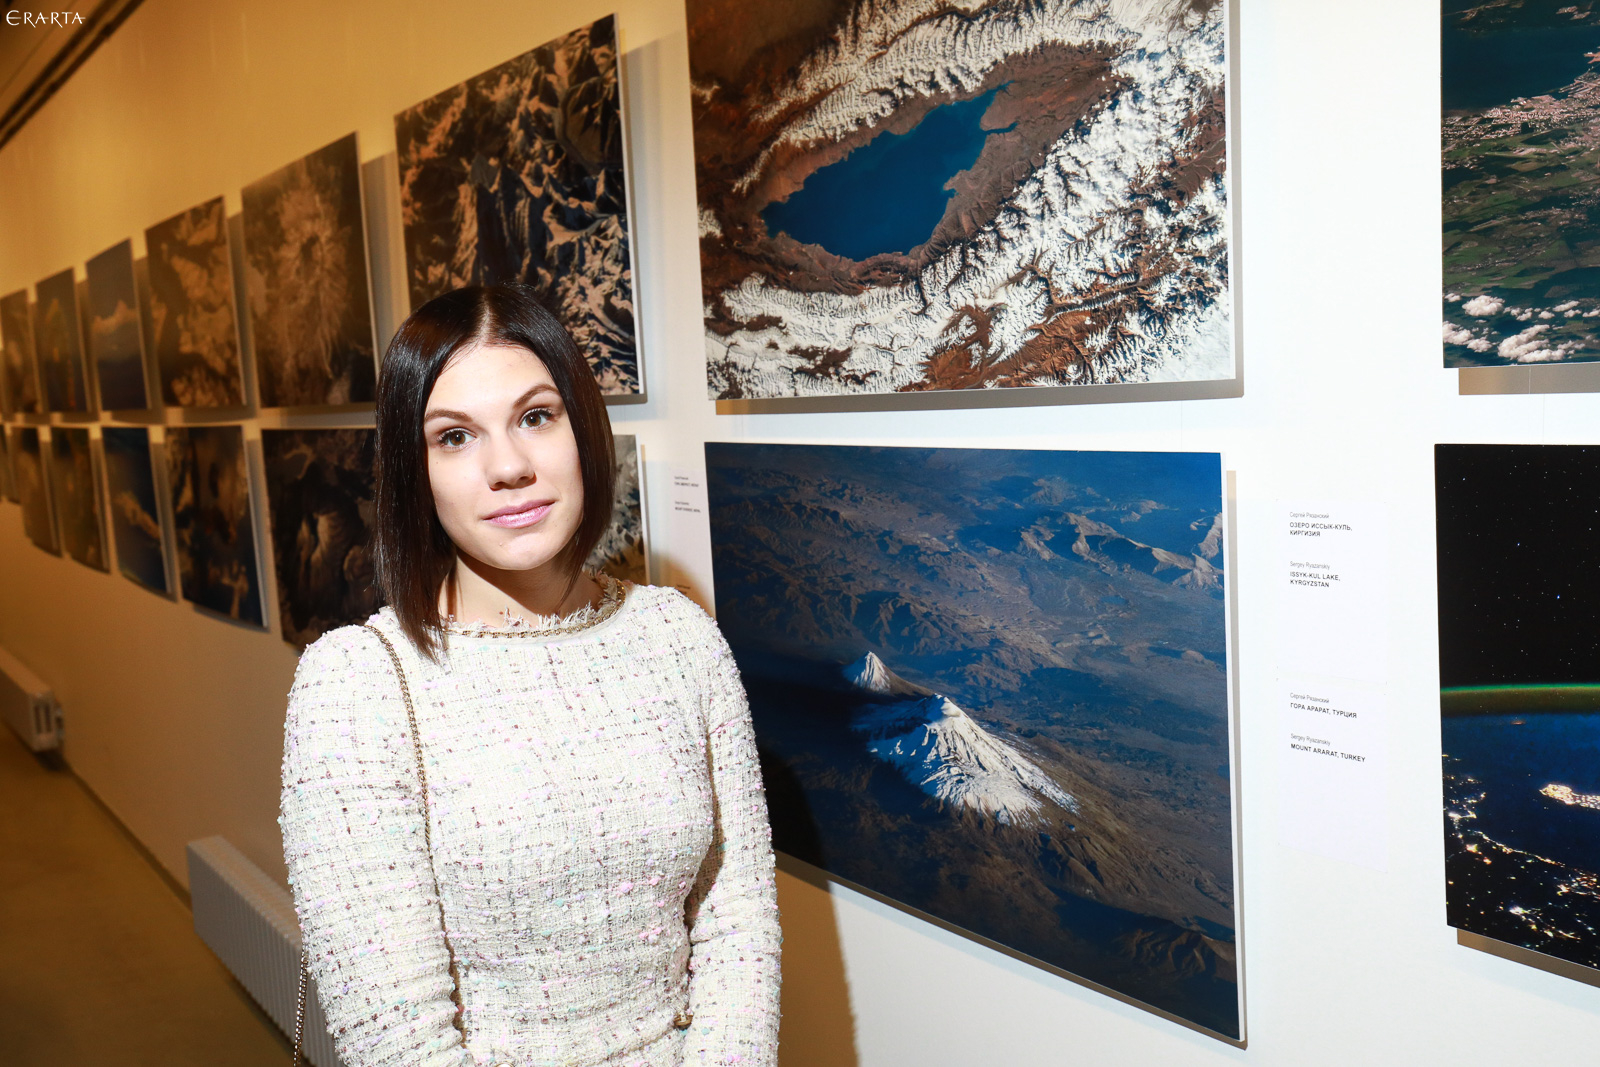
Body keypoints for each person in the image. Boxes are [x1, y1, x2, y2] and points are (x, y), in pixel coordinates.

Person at [279, 284, 781, 1067]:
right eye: (453, 436)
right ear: (416, 471)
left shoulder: (680, 637)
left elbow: (736, 917)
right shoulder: (357, 687)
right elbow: (397, 1037)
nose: (507, 466)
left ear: (582, 428)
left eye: (535, 417)